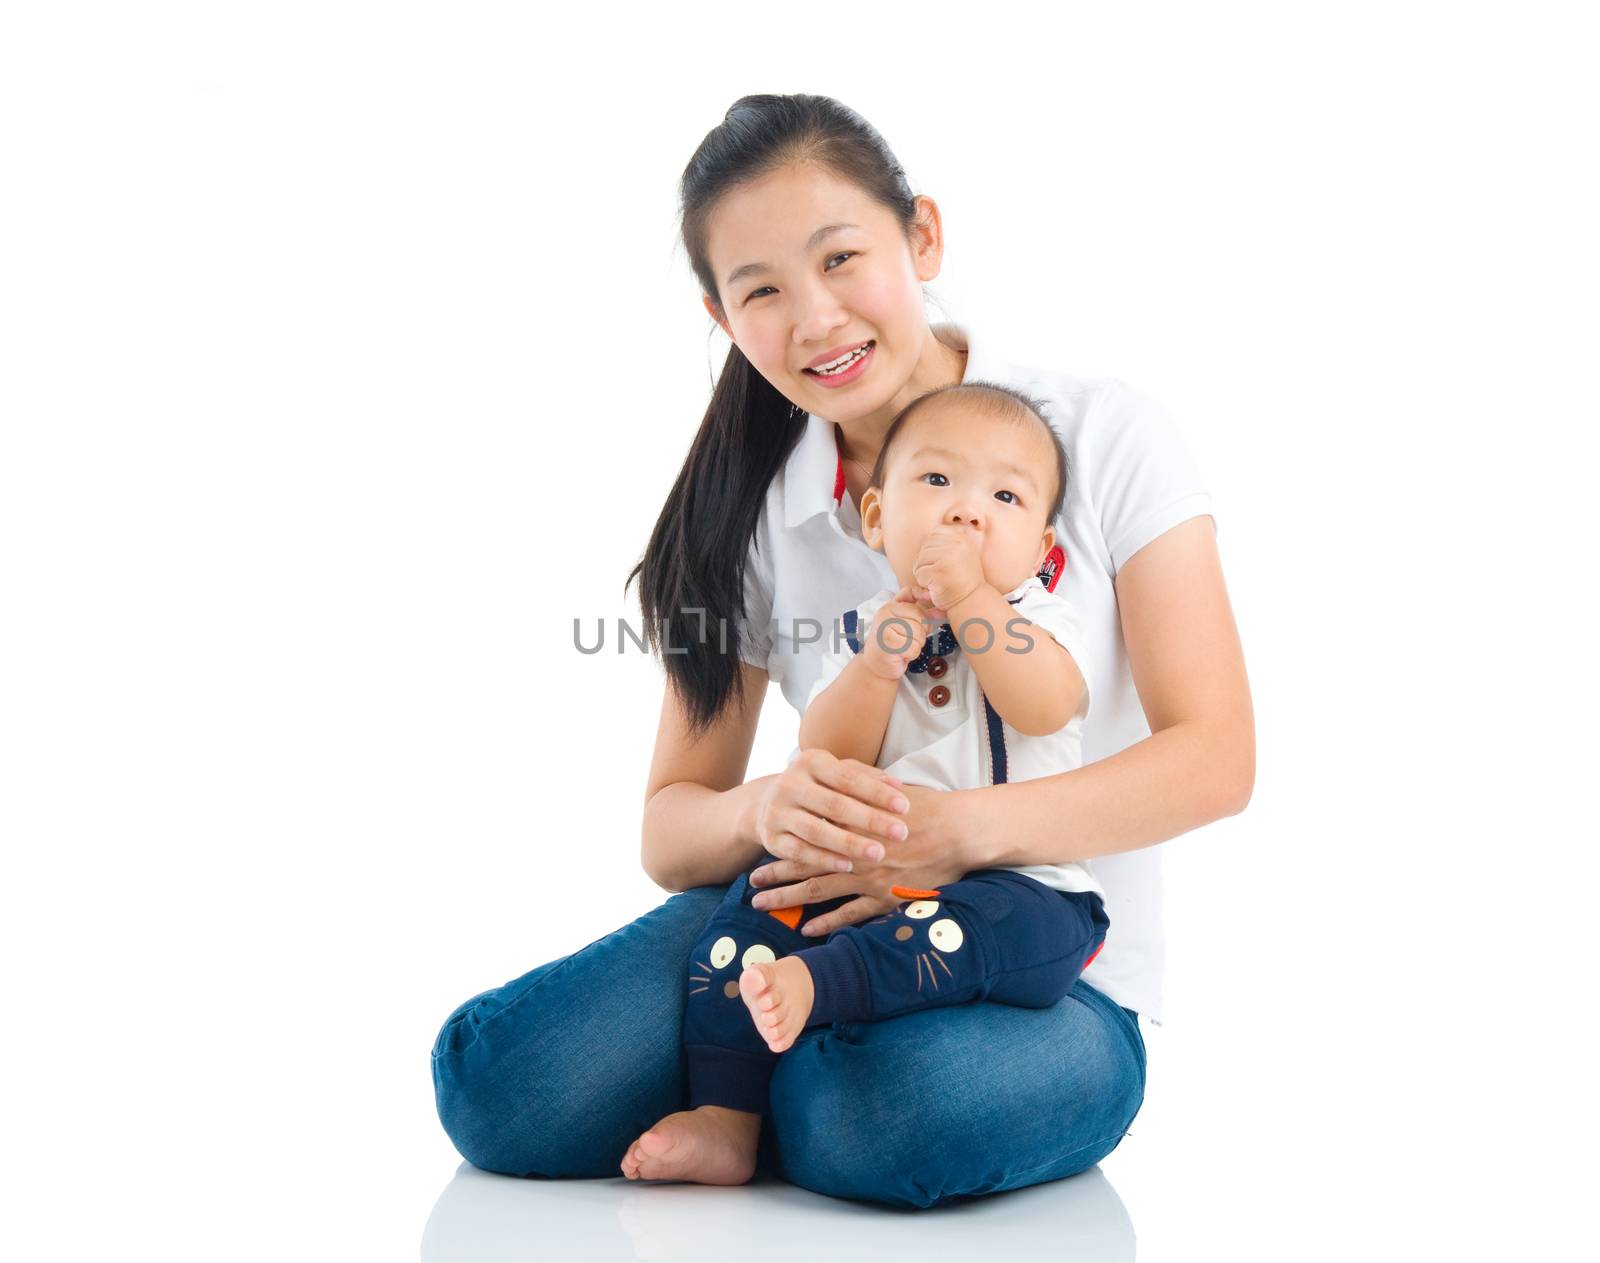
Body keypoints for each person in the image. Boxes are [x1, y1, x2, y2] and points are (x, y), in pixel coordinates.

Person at [431, 93, 1255, 1210]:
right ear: (723, 320)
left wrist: (949, 835)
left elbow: (1214, 759)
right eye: (760, 290)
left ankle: (765, 1077)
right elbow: (672, 826)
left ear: (921, 238)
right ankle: (765, 1070)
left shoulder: (1099, 435)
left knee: (883, 1107)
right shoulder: (752, 514)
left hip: (1048, 970)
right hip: (805, 919)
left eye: (840, 260)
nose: (813, 319)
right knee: (499, 1084)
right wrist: (767, 812)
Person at [628, 384, 1111, 1182]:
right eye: (937, 484)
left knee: (978, 928)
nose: (966, 513)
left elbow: (1043, 703)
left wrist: (971, 598)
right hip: (864, 881)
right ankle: (726, 1113)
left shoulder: (1040, 618)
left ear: (1041, 545)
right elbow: (827, 754)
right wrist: (878, 662)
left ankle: (825, 987)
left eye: (1004, 495)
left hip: (1024, 893)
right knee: (748, 910)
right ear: (879, 519)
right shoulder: (863, 628)